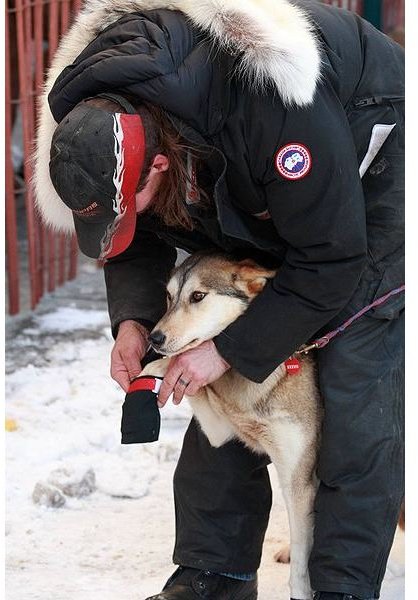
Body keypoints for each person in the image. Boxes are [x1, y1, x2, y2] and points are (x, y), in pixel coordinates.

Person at [34, 1, 405, 599]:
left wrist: (231, 349)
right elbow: (128, 230)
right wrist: (132, 322)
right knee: (215, 373)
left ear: (160, 162)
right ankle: (217, 574)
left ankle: (338, 583)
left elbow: (331, 256)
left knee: (354, 373)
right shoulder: (101, 125)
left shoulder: (269, 107)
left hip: (367, 138)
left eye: (138, 194)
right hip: (239, 164)